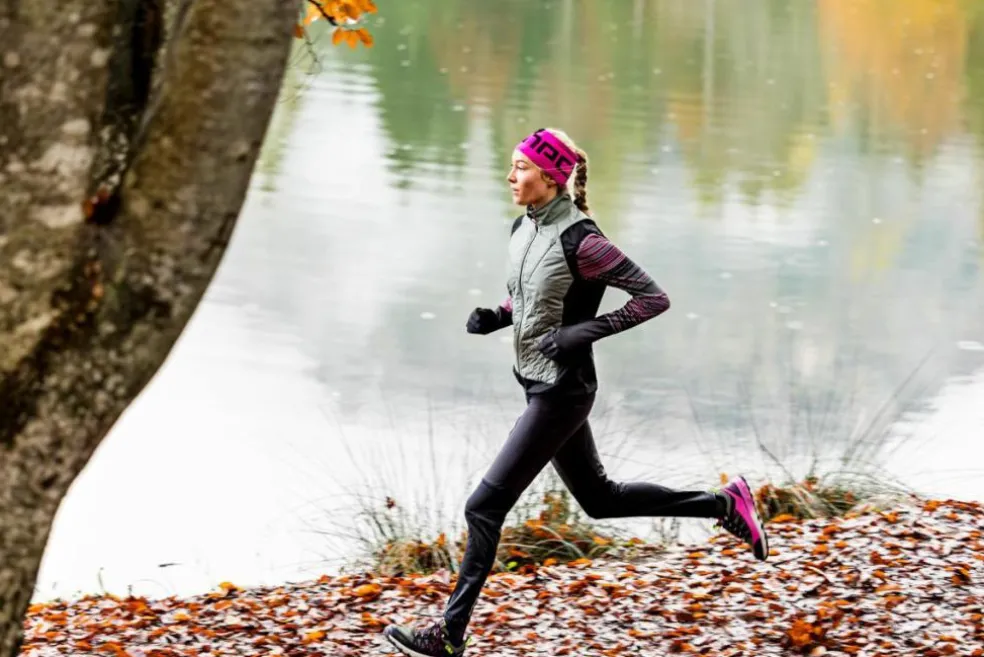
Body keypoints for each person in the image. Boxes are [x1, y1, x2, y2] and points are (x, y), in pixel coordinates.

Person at [383, 127, 769, 657]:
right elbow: (534, 297)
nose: (510, 176)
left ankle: (448, 636)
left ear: (550, 177)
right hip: (537, 384)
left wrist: (579, 334)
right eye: (512, 165)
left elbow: (652, 298)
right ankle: (725, 503)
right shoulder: (523, 226)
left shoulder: (583, 241)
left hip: (561, 393)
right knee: (600, 500)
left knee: (484, 507)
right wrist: (498, 316)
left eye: (521, 167)